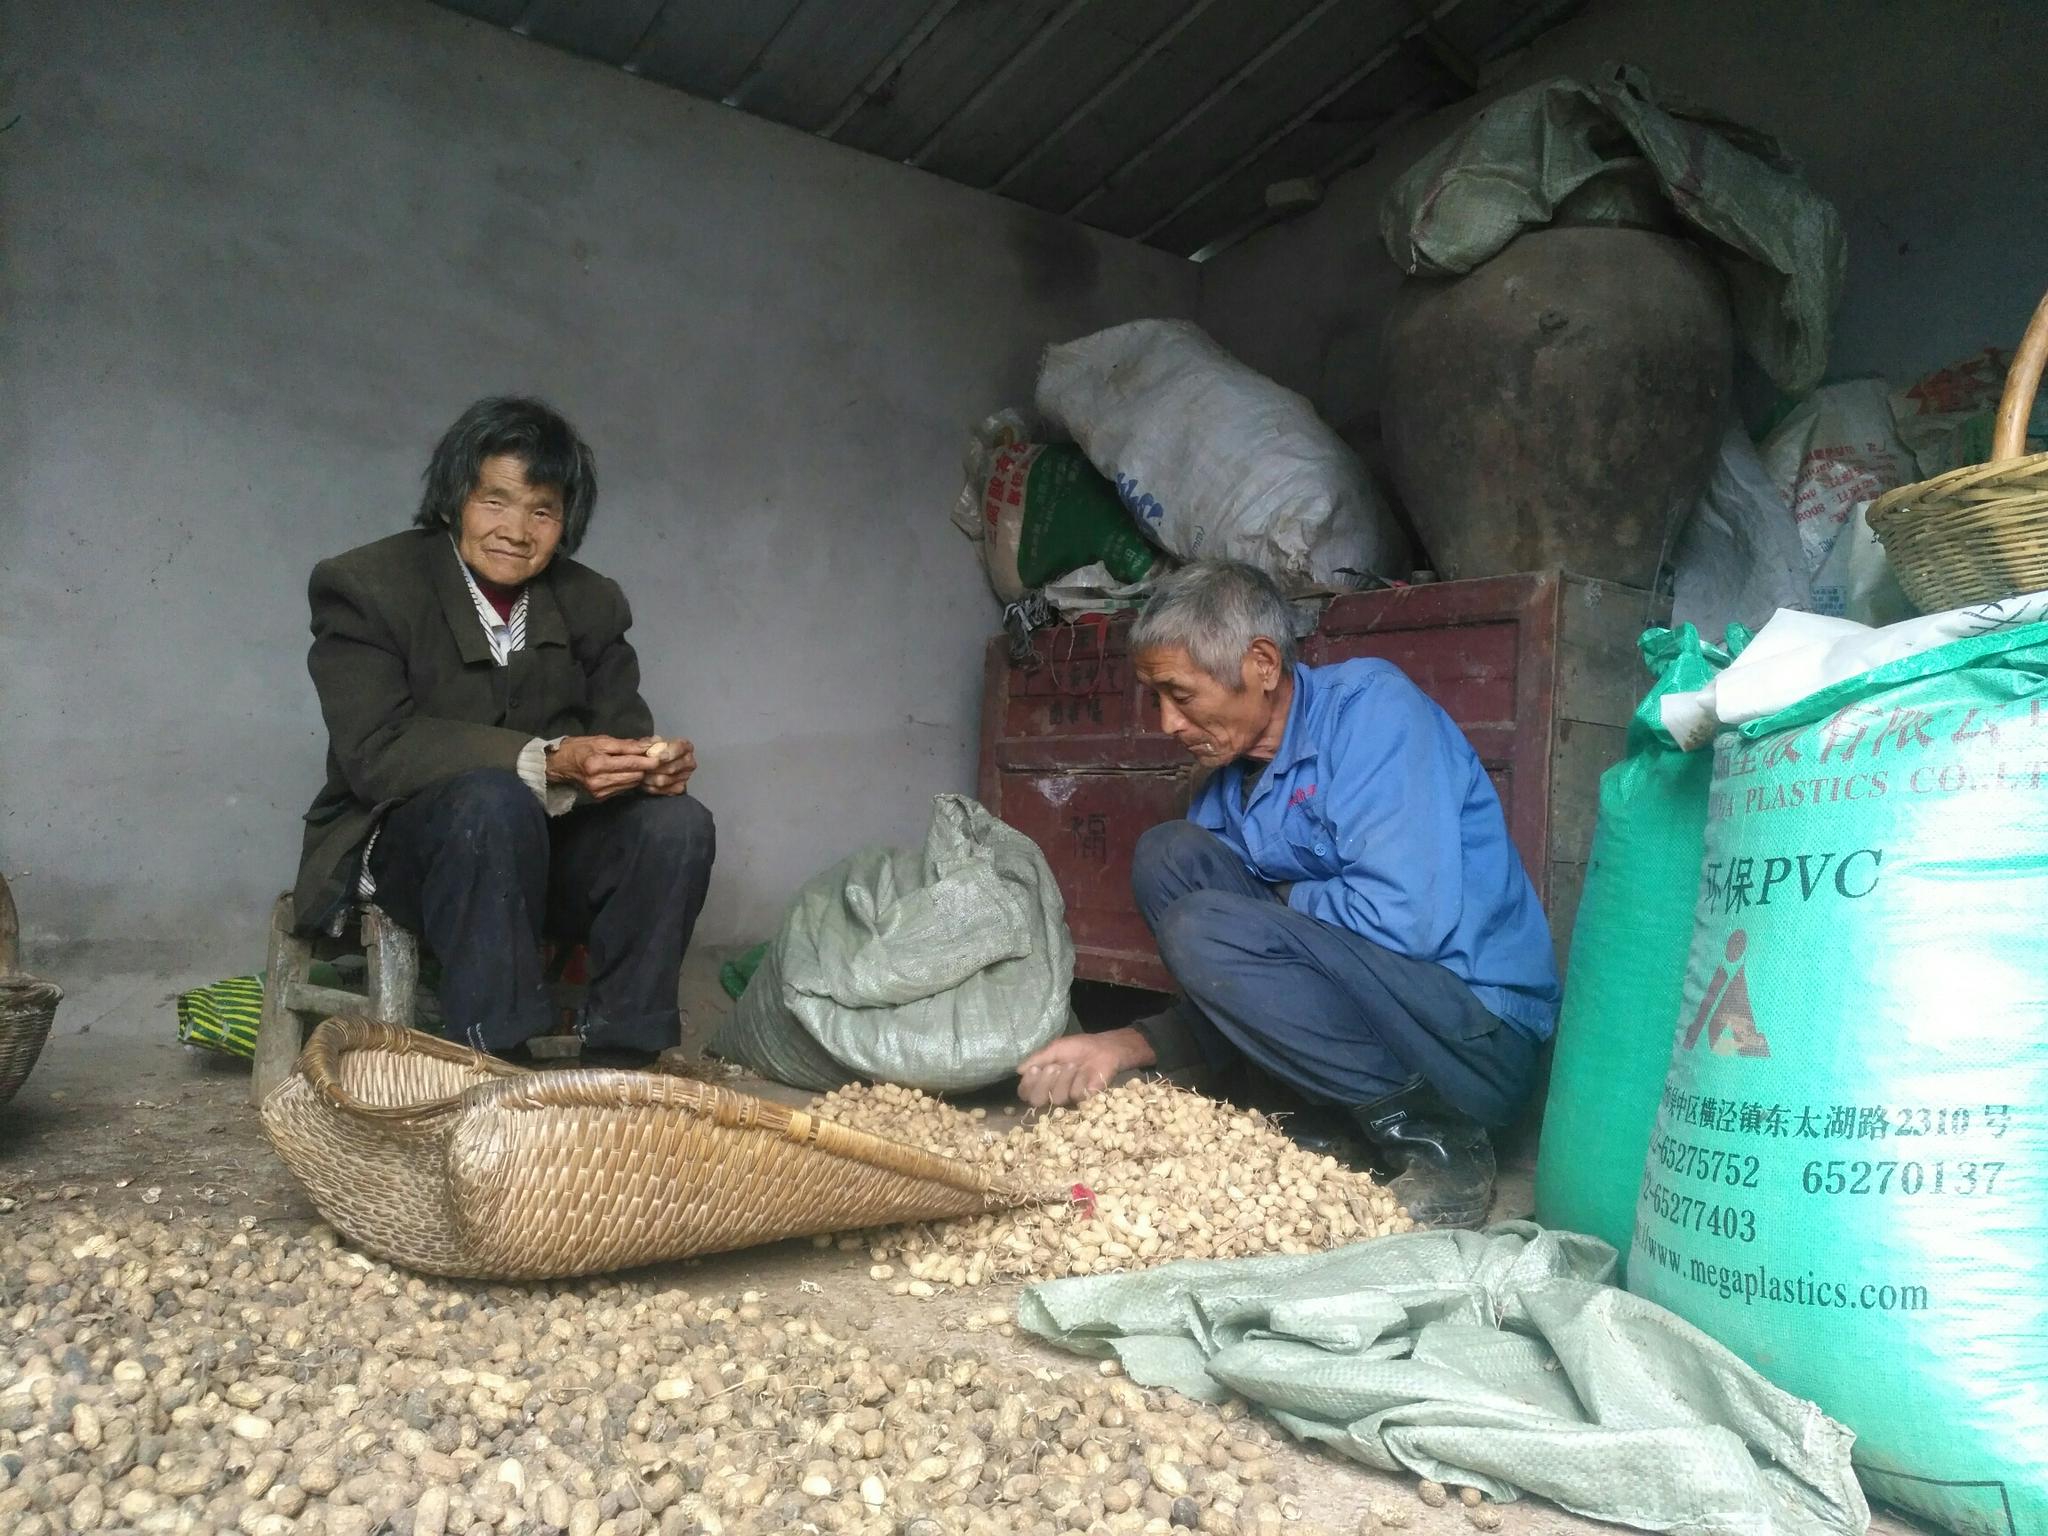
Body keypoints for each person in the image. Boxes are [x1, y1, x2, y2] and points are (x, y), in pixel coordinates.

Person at [1016, 561, 1558, 1226]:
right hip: (1371, 1019)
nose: (1167, 723)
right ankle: (1307, 1115)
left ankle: (1440, 1142)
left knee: (1204, 924)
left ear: (1263, 664)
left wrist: (1277, 904)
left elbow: (1404, 919)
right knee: (1170, 857)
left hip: (1472, 1037)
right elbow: (1251, 973)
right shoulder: (1227, 783)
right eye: (1155, 698)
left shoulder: (1372, 714)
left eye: (1180, 695)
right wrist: (1124, 1042)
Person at [292, 396, 715, 1059]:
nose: (517, 530)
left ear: (565, 522)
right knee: (492, 800)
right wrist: (546, 758)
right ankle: (496, 1059)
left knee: (676, 824)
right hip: (413, 850)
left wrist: (647, 767)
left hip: (543, 854)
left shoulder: (590, 600)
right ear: (454, 500)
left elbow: (619, 734)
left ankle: (623, 1061)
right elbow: (375, 750)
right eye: (495, 501)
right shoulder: (367, 585)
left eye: (542, 511)